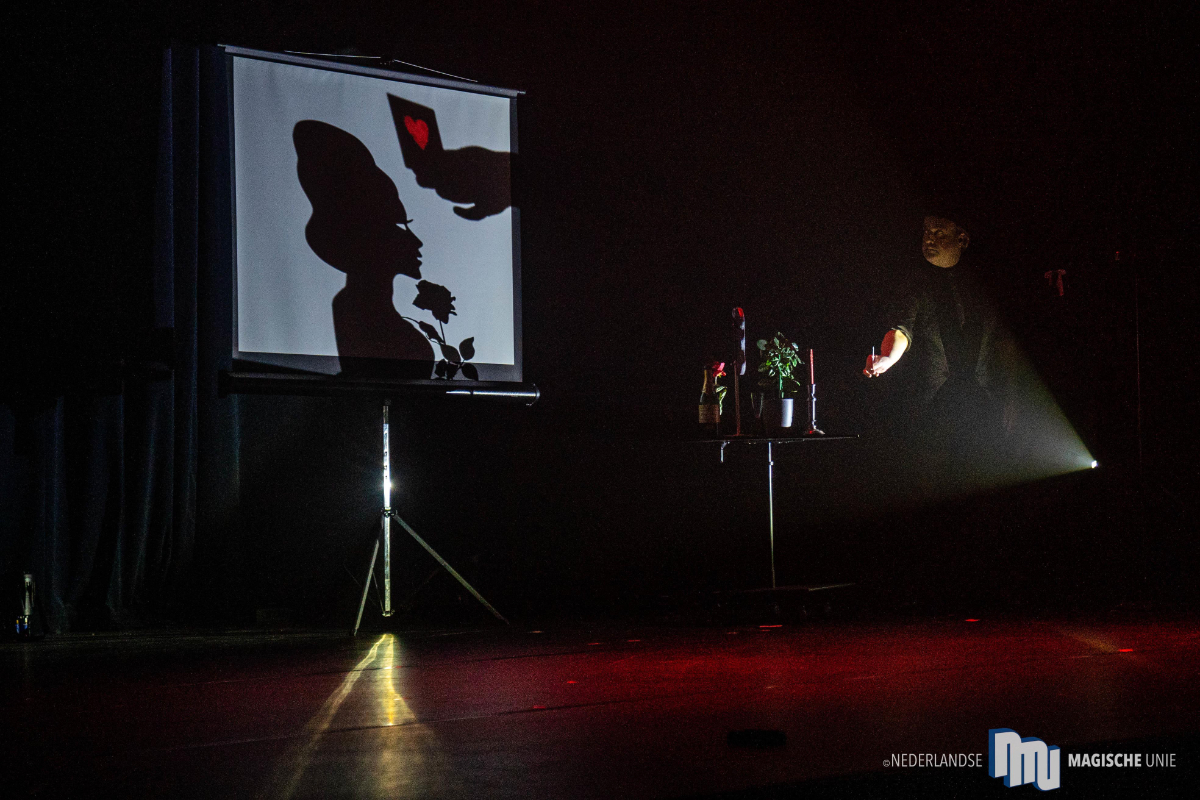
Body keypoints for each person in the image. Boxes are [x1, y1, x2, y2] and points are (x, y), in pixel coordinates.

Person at [864, 214, 1015, 468]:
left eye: (939, 233)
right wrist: (888, 358)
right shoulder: (915, 282)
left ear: (962, 239)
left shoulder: (983, 283)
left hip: (984, 405)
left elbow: (1005, 343)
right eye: (926, 232)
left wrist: (1012, 396)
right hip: (934, 407)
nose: (929, 239)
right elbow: (901, 330)